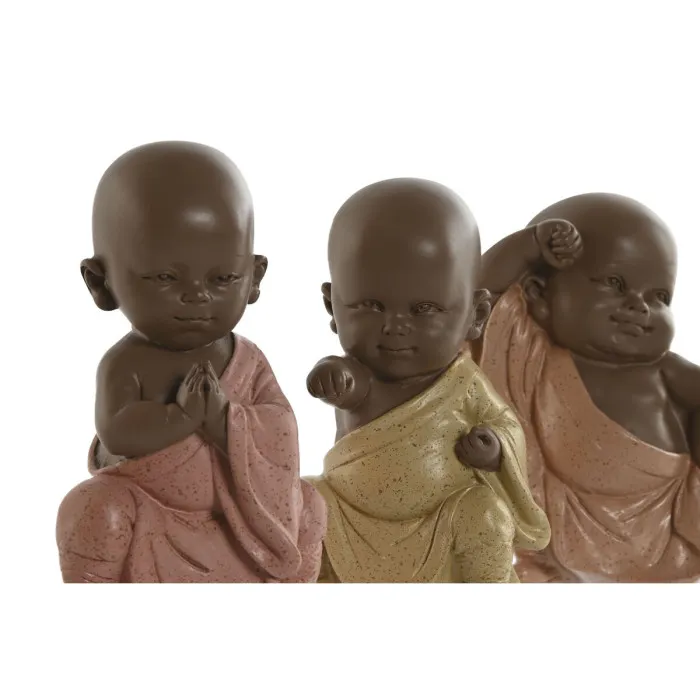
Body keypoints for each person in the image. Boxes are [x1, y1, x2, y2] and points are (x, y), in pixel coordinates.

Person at [56, 141, 326, 582]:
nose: (197, 295)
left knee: (311, 503)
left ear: (254, 278)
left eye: (223, 278)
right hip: (151, 519)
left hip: (243, 523)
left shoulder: (247, 359)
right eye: (165, 277)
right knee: (92, 506)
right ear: (101, 283)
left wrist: (223, 421)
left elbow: (280, 429)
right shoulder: (125, 364)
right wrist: (182, 418)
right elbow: (117, 431)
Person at [306, 178, 550, 582]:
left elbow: (504, 424)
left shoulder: (466, 384)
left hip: (446, 514)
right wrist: (330, 377)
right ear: (333, 306)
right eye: (370, 306)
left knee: (487, 515)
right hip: (350, 513)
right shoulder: (357, 375)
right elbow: (348, 385)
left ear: (476, 315)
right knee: (304, 501)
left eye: (425, 309)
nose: (395, 326)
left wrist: (494, 450)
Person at [474, 193, 700, 582]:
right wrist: (529, 245)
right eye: (615, 283)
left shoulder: (665, 372)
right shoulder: (534, 360)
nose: (640, 307)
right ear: (539, 295)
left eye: (660, 297)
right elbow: (478, 301)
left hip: (666, 539)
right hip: (566, 534)